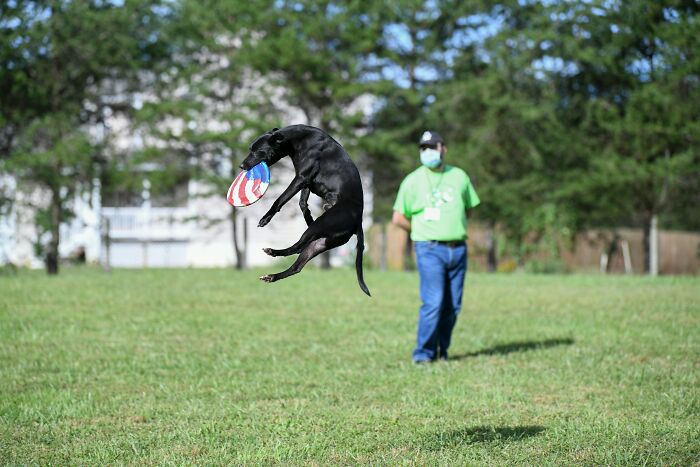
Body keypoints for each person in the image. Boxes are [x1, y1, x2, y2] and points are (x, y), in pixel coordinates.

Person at [392, 130, 480, 363]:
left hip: (458, 249)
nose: (427, 151)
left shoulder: (459, 176)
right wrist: (421, 231)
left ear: (444, 148)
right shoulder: (412, 181)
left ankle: (442, 351)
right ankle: (423, 355)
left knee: (453, 307)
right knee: (433, 303)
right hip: (429, 250)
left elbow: (468, 208)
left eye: (432, 146)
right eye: (423, 148)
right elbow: (398, 218)